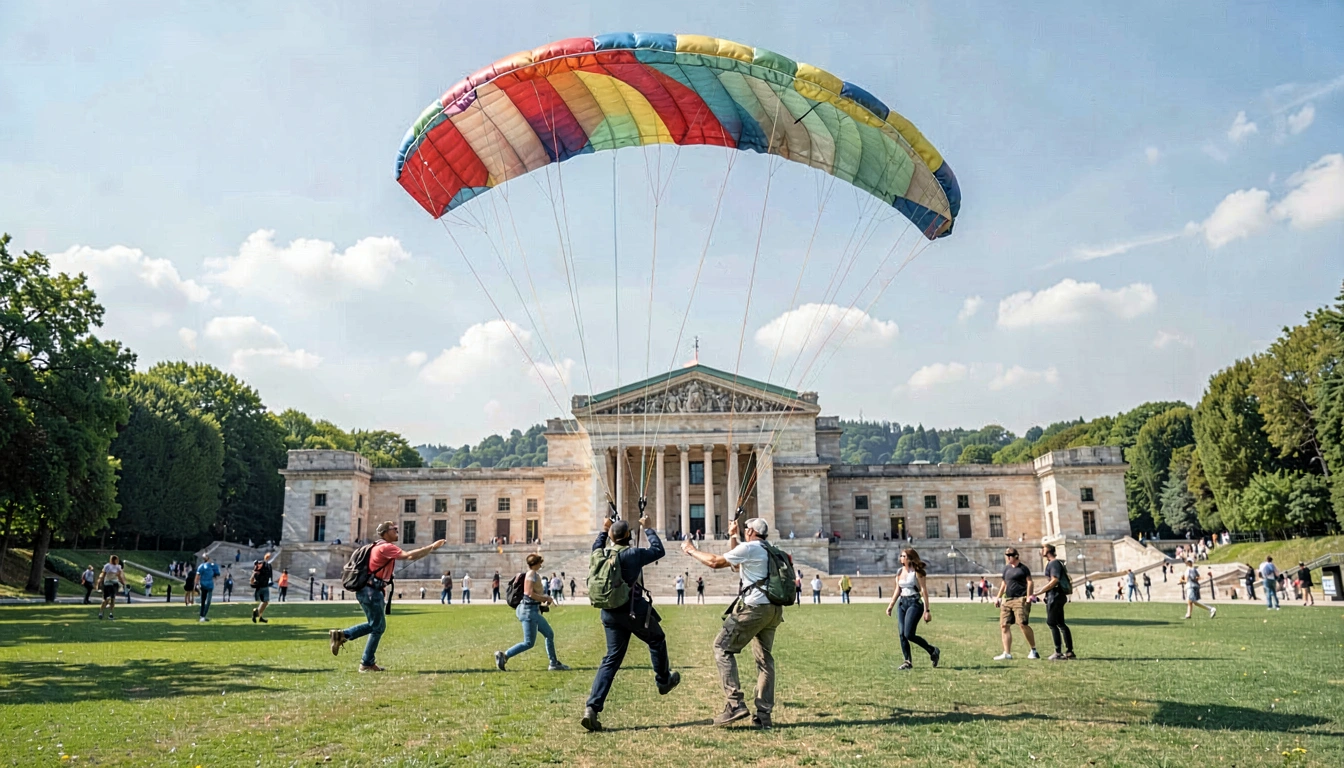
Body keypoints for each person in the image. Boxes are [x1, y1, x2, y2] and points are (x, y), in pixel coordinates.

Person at [580, 516, 679, 732]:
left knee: (611, 659)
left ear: (612, 537)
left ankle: (592, 708)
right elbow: (658, 550)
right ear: (629, 537)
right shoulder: (633, 554)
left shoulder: (600, 554)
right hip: (633, 611)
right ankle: (663, 681)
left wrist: (604, 528)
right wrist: (649, 527)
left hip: (609, 614)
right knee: (657, 639)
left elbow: (597, 544)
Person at [683, 517, 784, 729]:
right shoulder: (768, 549)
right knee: (765, 660)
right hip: (773, 609)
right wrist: (732, 536)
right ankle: (763, 715)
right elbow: (737, 565)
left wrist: (691, 549)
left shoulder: (750, 548)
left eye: (746, 529)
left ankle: (735, 703)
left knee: (721, 647)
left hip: (754, 608)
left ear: (750, 532)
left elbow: (715, 562)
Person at [330, 521, 445, 671]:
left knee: (376, 626)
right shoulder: (386, 547)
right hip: (372, 591)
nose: (397, 531)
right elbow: (409, 556)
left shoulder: (375, 546)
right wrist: (432, 547)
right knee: (377, 626)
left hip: (368, 590)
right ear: (385, 532)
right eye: (394, 529)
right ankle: (349, 643)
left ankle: (365, 660)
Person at [495, 553, 568, 673]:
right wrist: (545, 599)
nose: (541, 564)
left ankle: (553, 663)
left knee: (549, 634)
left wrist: (543, 600)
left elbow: (533, 594)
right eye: (540, 562)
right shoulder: (531, 574)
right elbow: (529, 594)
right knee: (528, 642)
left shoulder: (534, 574)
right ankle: (504, 656)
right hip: (529, 612)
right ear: (535, 564)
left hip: (533, 611)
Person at [884, 549, 939, 670]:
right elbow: (897, 590)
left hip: (914, 603)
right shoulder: (899, 572)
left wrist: (927, 610)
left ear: (909, 558)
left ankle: (932, 650)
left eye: (903, 556)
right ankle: (907, 661)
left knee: (909, 634)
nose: (901, 558)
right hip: (902, 603)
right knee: (902, 634)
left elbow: (924, 590)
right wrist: (890, 606)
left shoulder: (917, 572)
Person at [994, 547, 1038, 660]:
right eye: (1007, 555)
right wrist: (998, 597)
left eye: (1010, 555)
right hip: (1007, 600)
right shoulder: (1006, 569)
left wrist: (1028, 596)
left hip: (1020, 599)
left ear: (1016, 556)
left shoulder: (1023, 569)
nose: (1008, 558)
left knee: (1022, 624)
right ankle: (1007, 653)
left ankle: (1033, 650)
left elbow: (1030, 582)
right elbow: (1004, 584)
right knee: (1004, 625)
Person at [1031, 544, 1074, 660]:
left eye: (1043, 549)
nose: (1041, 551)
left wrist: (1039, 591)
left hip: (1055, 596)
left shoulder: (1053, 563)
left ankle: (1058, 652)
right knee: (1061, 624)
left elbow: (1055, 580)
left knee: (1051, 623)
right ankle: (1069, 651)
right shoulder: (1056, 562)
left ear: (1048, 551)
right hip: (1059, 596)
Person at [97, 555, 126, 620]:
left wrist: (123, 583)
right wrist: (99, 583)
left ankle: (110, 614)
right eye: (116, 560)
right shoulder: (107, 566)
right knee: (105, 599)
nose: (117, 561)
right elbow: (103, 575)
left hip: (114, 584)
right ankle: (101, 612)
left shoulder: (118, 567)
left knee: (112, 598)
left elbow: (119, 576)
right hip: (107, 583)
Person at [251, 552, 275, 624]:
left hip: (262, 587)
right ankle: (256, 612)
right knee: (264, 602)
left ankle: (260, 617)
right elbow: (252, 582)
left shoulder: (259, 570)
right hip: (262, 588)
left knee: (265, 602)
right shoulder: (258, 572)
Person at [196, 554, 220, 622]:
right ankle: (202, 616)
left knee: (208, 601)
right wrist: (196, 584)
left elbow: (215, 575)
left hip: (210, 586)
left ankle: (203, 615)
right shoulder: (202, 566)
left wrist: (216, 580)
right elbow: (197, 576)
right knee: (203, 601)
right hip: (203, 585)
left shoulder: (213, 566)